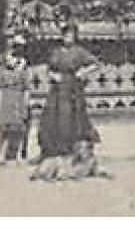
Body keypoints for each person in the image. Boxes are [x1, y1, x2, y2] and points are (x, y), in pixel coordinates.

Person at [32, 22, 103, 180]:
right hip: (58, 90)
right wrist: (53, 75)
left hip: (73, 89)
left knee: (73, 118)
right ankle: (51, 151)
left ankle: (74, 151)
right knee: (52, 117)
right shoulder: (57, 52)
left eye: (70, 34)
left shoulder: (79, 52)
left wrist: (82, 72)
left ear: (75, 36)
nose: (67, 37)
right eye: (65, 34)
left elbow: (96, 64)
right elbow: (49, 68)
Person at [0, 37, 31, 165]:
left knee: (19, 129)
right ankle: (1, 155)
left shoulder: (23, 69)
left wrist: (26, 103)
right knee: (4, 129)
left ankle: (19, 154)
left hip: (18, 99)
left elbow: (26, 88)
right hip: (6, 99)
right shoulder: (3, 72)